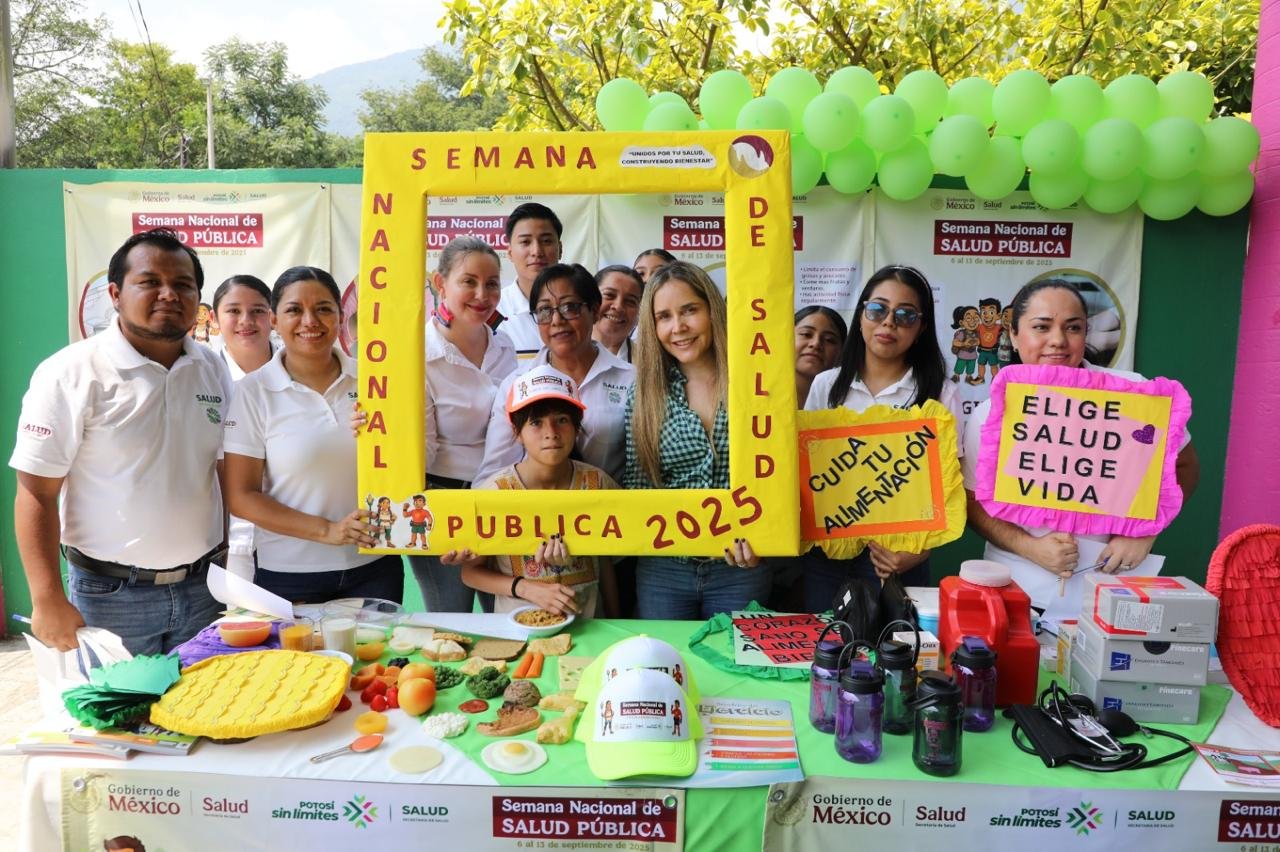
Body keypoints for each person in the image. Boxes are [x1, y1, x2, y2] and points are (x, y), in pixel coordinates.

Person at [10, 228, 228, 654]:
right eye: (150, 282)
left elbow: (224, 468)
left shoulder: (211, 368)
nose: (169, 294)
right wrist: (46, 597)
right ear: (115, 293)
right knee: (116, 718)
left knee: (203, 716)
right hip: (110, 597)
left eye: (183, 284)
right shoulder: (71, 373)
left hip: (205, 590)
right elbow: (36, 491)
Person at [962, 278, 1201, 610]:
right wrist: (1031, 547)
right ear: (1014, 336)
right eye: (1041, 327)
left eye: (1072, 328)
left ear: (1086, 334)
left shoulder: (1135, 395)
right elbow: (972, 500)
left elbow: (1185, 467)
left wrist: (1143, 533)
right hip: (1019, 593)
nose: (1057, 341)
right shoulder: (990, 415)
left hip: (1115, 595)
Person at [223, 266, 402, 604]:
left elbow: (408, 462)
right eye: (294, 310)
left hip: (376, 565)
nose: (310, 321)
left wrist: (389, 436)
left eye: (323, 308)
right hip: (290, 575)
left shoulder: (374, 381)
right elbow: (242, 496)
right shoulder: (254, 392)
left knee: (380, 658)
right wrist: (328, 531)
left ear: (339, 314)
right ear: (275, 319)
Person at [800, 265, 961, 612]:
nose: (889, 322)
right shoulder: (826, 385)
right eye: (878, 309)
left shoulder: (941, 394)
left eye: (906, 315)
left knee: (893, 658)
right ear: (861, 317)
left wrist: (918, 552)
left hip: (898, 559)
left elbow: (949, 489)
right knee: (824, 655)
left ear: (921, 328)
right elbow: (807, 473)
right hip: (826, 558)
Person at [625, 260, 767, 619]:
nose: (679, 327)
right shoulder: (644, 395)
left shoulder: (755, 383)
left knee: (735, 669)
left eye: (690, 310)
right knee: (665, 669)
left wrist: (766, 538)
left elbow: (778, 478)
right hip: (664, 568)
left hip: (742, 564)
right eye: (665, 317)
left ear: (713, 310)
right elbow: (640, 487)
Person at [460, 365, 620, 619]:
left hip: (591, 624)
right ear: (517, 433)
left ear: (577, 427)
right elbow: (470, 572)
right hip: (520, 629)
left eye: (562, 420)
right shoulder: (496, 493)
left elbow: (605, 562)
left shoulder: (596, 483)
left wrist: (615, 618)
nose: (551, 433)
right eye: (536, 422)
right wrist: (526, 588)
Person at [409, 236, 517, 612]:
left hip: (504, 505)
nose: (482, 294)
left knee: (507, 622)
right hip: (442, 506)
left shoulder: (507, 348)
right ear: (440, 284)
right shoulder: (419, 355)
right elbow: (419, 454)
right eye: (468, 281)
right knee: (450, 623)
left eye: (491, 283)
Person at [477, 263, 634, 484]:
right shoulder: (517, 384)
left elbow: (643, 470)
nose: (557, 321)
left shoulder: (631, 381)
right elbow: (494, 473)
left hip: (608, 512)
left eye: (570, 307)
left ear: (595, 310)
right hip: (534, 513)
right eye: (544, 310)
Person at [210, 274, 275, 580]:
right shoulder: (202, 374)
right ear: (214, 318)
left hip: (293, 537)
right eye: (233, 311)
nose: (246, 320)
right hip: (227, 542)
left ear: (272, 316)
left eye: (258, 310)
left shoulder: (298, 370)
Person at [496, 202, 563, 356]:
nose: (536, 251)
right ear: (510, 252)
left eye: (546, 241)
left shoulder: (578, 307)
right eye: (525, 242)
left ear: (560, 249)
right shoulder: (492, 310)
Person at [793, 305, 848, 405]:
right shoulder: (761, 394)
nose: (816, 344)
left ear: (842, 353)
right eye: (806, 334)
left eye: (829, 340)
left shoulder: (850, 403)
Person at [592, 265, 644, 362]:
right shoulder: (560, 352)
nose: (619, 306)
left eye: (630, 301)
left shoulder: (650, 365)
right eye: (609, 295)